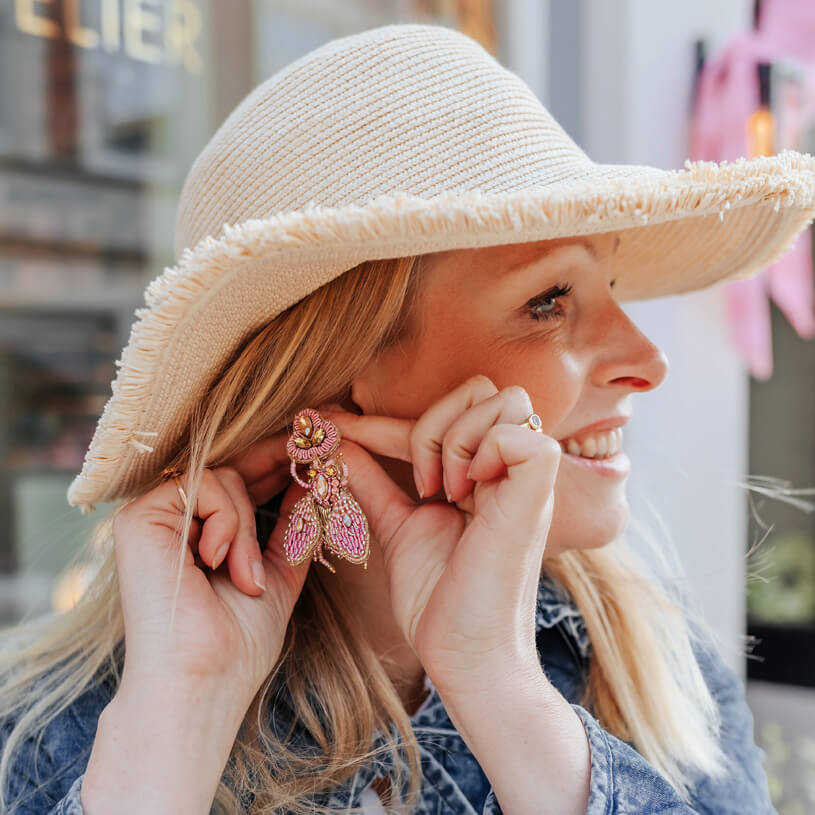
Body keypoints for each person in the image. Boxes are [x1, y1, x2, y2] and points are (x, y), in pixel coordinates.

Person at [1, 21, 811, 815]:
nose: (647, 359)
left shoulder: (668, 671)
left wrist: (500, 686)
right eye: (549, 301)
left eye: (610, 290)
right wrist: (178, 721)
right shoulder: (55, 739)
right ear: (337, 388)